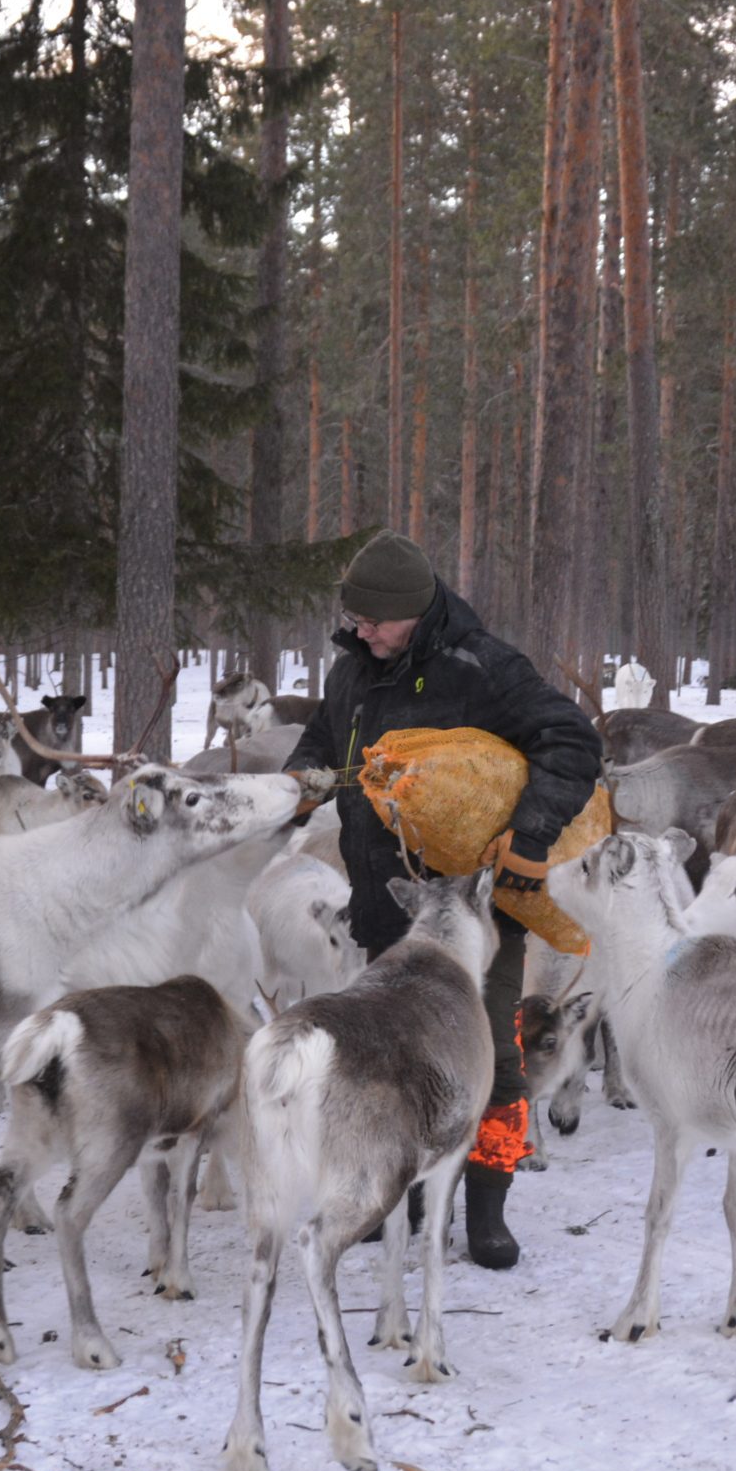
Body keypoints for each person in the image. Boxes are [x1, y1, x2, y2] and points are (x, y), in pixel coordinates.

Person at [283, 533, 605, 1269]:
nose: (360, 630)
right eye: (354, 618)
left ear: (413, 610)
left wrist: (531, 835)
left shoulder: (482, 669)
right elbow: (324, 740)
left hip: (472, 914)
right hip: (384, 900)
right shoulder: (352, 671)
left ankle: (486, 1209)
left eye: (374, 619)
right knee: (388, 1059)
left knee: (490, 1054)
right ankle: (399, 1196)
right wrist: (300, 783)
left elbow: (571, 740)